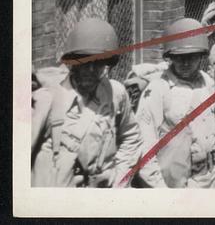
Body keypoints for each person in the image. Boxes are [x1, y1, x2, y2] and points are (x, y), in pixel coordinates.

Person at [31, 17, 148, 187]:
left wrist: (120, 179)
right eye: (84, 63)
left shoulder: (115, 93)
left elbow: (131, 136)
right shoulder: (48, 99)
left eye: (98, 63)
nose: (91, 70)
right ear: (72, 63)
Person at [135, 18, 215, 188]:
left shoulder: (206, 82)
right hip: (179, 183)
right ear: (170, 57)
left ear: (201, 56)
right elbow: (144, 146)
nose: (185, 63)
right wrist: (160, 189)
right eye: (179, 57)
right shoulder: (158, 90)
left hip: (211, 176)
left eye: (191, 57)